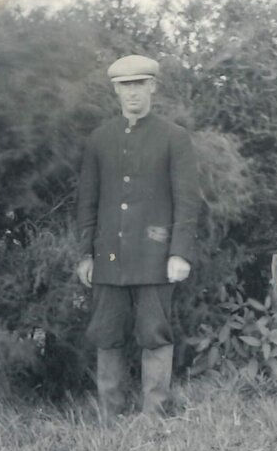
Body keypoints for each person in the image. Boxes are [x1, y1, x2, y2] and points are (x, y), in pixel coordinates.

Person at [75, 54, 201, 421]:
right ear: (116, 91)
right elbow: (88, 201)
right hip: (109, 256)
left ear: (152, 87)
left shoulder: (173, 138)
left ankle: (154, 414)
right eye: (124, 86)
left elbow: (187, 201)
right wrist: (85, 254)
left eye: (139, 85)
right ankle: (109, 413)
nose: (132, 93)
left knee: (154, 333)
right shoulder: (100, 139)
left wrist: (179, 254)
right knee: (107, 333)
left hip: (155, 255)